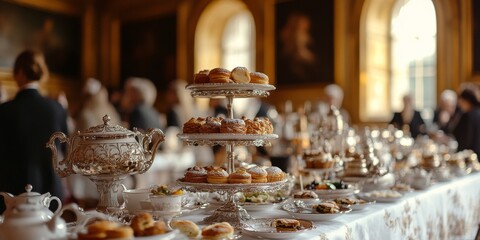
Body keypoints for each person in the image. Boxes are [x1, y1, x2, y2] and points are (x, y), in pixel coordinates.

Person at [0, 49, 68, 213]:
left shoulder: (5, 110)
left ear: (19, 73)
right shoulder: (57, 108)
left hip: (13, 195)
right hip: (51, 193)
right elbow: (65, 151)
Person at [453, 83, 480, 156]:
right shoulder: (477, 112)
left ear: (466, 100)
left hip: (469, 156)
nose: (459, 102)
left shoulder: (468, 115)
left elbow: (466, 140)